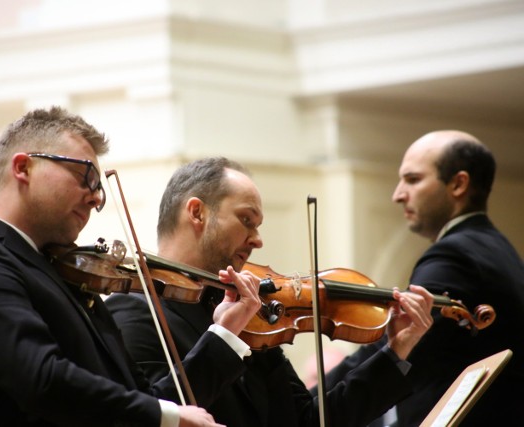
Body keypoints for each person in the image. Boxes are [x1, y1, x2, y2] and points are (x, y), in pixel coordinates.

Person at [0, 107, 264, 427]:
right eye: (84, 175)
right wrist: (165, 416)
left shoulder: (64, 273)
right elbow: (41, 379)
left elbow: (143, 402)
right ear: (23, 168)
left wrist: (224, 334)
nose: (97, 197)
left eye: (99, 185)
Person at [106, 157, 435, 427]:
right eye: (246, 220)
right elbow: (154, 415)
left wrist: (394, 352)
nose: (257, 239)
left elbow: (308, 421)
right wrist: (223, 336)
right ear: (197, 213)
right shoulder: (133, 310)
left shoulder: (254, 312)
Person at [324, 130, 524, 426]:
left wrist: (308, 405)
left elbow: (399, 345)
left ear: (458, 184)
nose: (397, 194)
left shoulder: (456, 256)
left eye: (413, 179)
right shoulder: (497, 246)